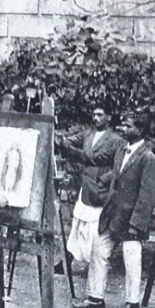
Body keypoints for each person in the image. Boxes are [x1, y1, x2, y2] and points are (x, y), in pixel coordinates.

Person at [73, 115, 155, 308]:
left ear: (139, 129)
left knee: (132, 259)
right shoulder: (121, 149)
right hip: (113, 214)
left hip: (131, 219)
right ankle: (95, 297)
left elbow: (148, 195)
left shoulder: (148, 158)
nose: (123, 128)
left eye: (128, 125)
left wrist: (137, 223)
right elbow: (117, 172)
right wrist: (106, 180)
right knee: (99, 250)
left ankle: (132, 302)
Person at [55, 107, 126, 273]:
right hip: (86, 186)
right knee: (77, 225)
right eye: (93, 114)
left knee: (95, 228)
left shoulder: (117, 140)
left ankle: (95, 264)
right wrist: (59, 140)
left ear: (108, 117)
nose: (95, 118)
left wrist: (106, 179)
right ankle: (65, 262)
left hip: (101, 189)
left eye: (100, 115)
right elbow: (68, 142)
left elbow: (119, 166)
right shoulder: (88, 134)